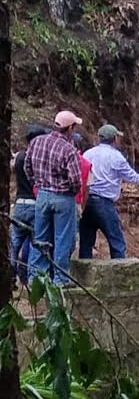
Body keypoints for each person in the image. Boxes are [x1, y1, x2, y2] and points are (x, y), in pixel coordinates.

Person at [79, 124, 139, 260]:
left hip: (87, 202)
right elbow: (134, 178)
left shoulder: (88, 153)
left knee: (86, 242)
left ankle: (83, 277)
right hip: (104, 204)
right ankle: (119, 274)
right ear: (114, 139)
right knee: (117, 242)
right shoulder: (116, 157)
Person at [24, 111, 84, 286]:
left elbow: (28, 167)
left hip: (42, 194)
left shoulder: (36, 142)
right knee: (63, 239)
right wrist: (72, 191)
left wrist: (37, 183)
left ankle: (35, 278)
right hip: (63, 197)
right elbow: (75, 180)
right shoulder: (69, 150)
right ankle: (60, 279)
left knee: (41, 237)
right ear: (70, 128)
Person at [9, 125, 49, 286]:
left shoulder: (20, 157)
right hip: (35, 204)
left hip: (19, 204)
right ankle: (32, 278)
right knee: (35, 243)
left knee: (15, 243)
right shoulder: (38, 159)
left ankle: (10, 277)